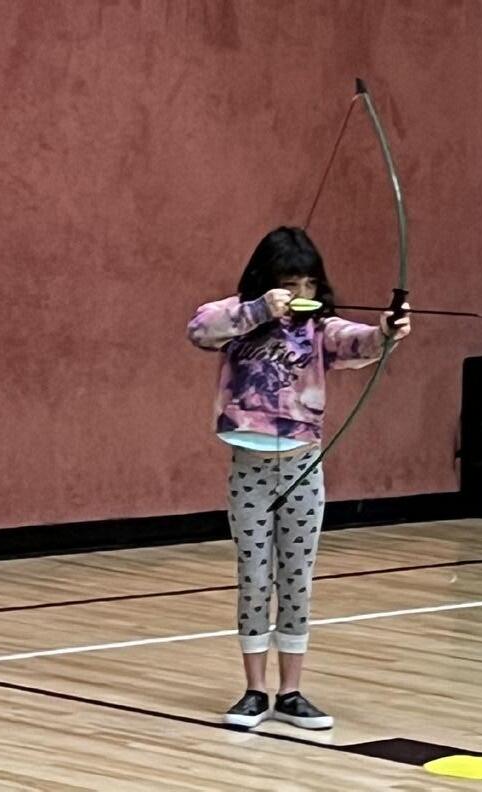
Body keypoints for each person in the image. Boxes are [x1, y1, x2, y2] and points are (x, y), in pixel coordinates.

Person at [187, 226, 410, 729]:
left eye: (309, 283)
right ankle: (254, 691)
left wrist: (387, 332)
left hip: (302, 468)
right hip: (250, 467)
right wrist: (260, 309)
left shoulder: (319, 329)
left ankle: (290, 692)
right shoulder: (239, 318)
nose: (302, 293)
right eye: (290, 283)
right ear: (267, 280)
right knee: (254, 576)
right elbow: (200, 329)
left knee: (296, 578)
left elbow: (357, 343)